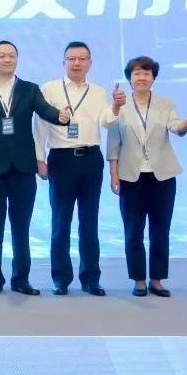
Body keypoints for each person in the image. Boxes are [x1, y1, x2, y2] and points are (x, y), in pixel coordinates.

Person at [0, 41, 70, 296]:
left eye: (11, 55)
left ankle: (21, 279)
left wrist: (60, 116)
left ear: (17, 59)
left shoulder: (29, 89)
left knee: (21, 228)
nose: (7, 59)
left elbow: (45, 110)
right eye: (1, 55)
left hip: (23, 169)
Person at [34, 41, 125, 296]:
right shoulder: (50, 88)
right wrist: (39, 158)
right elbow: (40, 126)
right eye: (71, 59)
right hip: (61, 159)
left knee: (89, 221)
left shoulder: (98, 92)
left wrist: (116, 106)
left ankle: (91, 279)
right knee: (60, 221)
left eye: (82, 59)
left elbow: (107, 121)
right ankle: (61, 279)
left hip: (90, 159)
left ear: (90, 63)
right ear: (63, 62)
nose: (77, 63)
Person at [107, 55, 187, 297]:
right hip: (131, 177)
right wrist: (114, 175)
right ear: (129, 78)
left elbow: (175, 127)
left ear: (153, 78)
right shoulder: (119, 106)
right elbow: (113, 145)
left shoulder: (166, 104)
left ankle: (157, 280)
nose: (142, 77)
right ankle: (139, 280)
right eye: (137, 73)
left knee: (160, 230)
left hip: (162, 177)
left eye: (147, 73)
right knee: (133, 231)